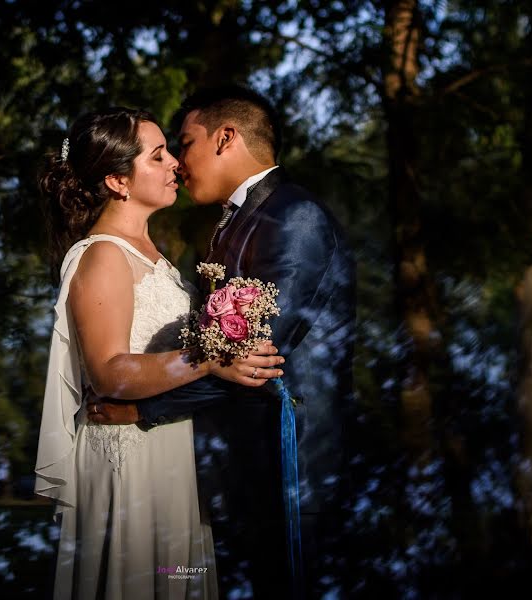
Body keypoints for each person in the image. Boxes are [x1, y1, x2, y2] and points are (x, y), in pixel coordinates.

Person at [87, 86, 357, 598]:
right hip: (244, 467)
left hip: (293, 468)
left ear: (225, 137)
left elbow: (258, 355)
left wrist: (143, 412)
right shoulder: (242, 221)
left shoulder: (292, 218)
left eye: (184, 144)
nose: (178, 163)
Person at [33, 107, 286, 600]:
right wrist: (210, 359)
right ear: (116, 180)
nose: (175, 163)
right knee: (143, 581)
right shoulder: (102, 254)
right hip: (131, 462)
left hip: (171, 451)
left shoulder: (153, 254)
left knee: (176, 578)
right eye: (158, 155)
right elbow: (109, 373)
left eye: (170, 150)